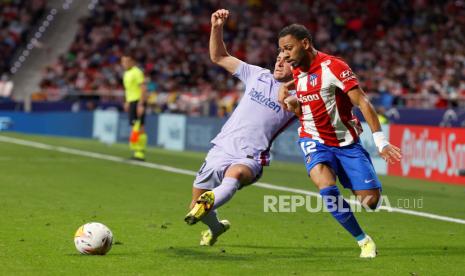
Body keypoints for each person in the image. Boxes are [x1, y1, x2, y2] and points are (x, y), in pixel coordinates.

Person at [278, 24, 402, 258]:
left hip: (346, 142)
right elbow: (303, 88)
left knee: (370, 201)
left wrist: (381, 141)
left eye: (288, 49)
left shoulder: (334, 67)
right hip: (313, 138)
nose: (284, 55)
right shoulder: (296, 67)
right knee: (325, 185)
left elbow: (363, 102)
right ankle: (363, 240)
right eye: (281, 50)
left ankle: (355, 180)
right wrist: (288, 92)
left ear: (305, 44)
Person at [184, 9, 295, 246]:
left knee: (234, 175)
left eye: (286, 60)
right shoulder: (257, 75)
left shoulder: (300, 96)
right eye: (279, 56)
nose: (279, 61)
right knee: (194, 207)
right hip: (221, 147)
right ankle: (216, 227)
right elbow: (219, 57)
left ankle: (211, 199)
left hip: (251, 155)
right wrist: (216, 27)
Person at [121, 54, 147, 161]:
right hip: (131, 101)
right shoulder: (126, 73)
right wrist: (127, 101)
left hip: (137, 101)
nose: (124, 64)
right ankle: (136, 151)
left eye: (126, 62)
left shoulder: (137, 72)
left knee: (139, 126)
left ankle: (140, 152)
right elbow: (129, 89)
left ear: (132, 62)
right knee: (134, 126)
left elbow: (143, 88)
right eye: (122, 62)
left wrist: (141, 104)